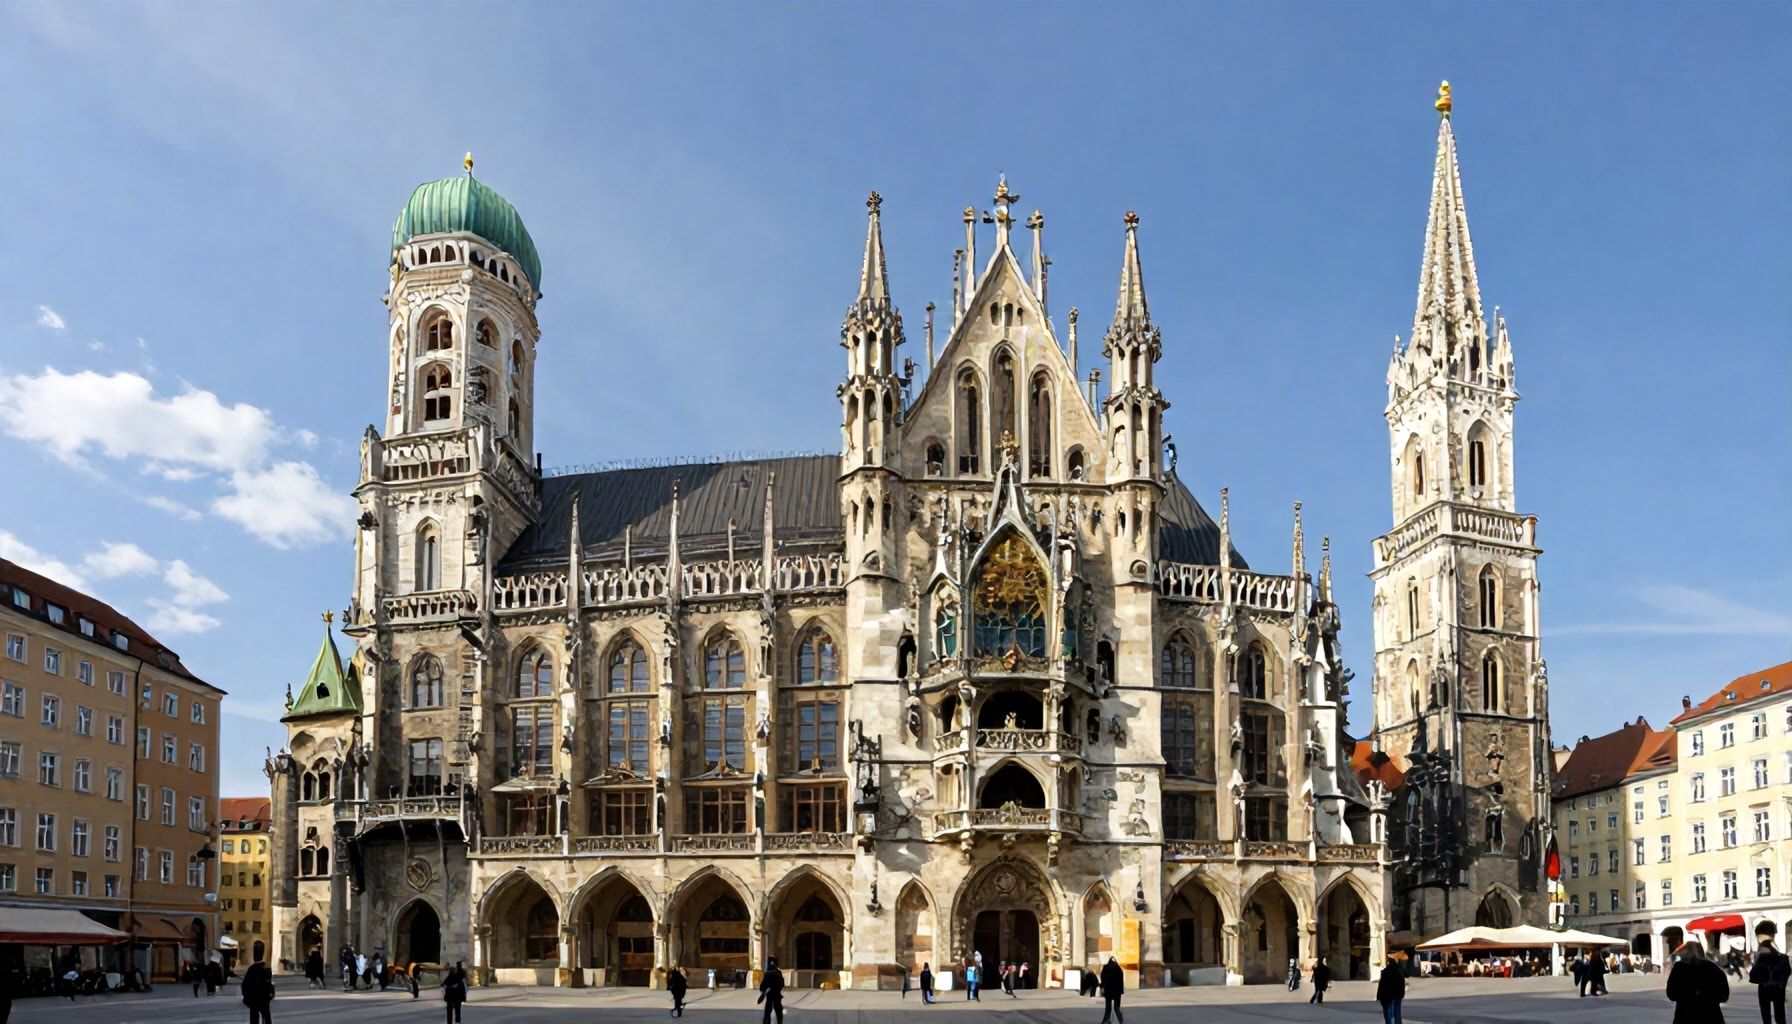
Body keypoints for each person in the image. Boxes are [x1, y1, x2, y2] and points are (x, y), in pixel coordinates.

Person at [1668, 943, 1731, 1024]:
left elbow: (1671, 994)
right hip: (1711, 1017)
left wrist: (1687, 996)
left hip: (1685, 1016)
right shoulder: (1714, 969)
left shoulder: (1679, 969)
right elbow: (1724, 996)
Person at [1750, 929, 1790, 1024]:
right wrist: (1782, 984)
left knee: (1766, 1014)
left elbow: (1753, 975)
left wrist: (1756, 961)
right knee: (1780, 1014)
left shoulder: (1761, 958)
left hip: (1764, 988)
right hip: (1778, 988)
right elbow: (1787, 972)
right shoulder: (1783, 958)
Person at [241, 958, 275, 1024]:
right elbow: (268, 983)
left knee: (254, 1015)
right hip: (264, 996)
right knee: (266, 1015)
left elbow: (245, 984)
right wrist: (270, 994)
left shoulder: (251, 969)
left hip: (253, 997)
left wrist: (246, 996)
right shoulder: (266, 968)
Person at [1376, 959, 1406, 1024]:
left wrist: (1379, 997)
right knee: (1395, 1015)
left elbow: (1382, 986)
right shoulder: (1399, 972)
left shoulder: (1386, 972)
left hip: (1387, 998)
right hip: (1396, 997)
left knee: (1389, 1015)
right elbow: (1401, 985)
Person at [758, 957, 785, 1024]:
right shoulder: (778, 973)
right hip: (777, 995)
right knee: (778, 1012)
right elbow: (782, 984)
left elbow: (762, 986)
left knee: (767, 1012)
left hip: (769, 995)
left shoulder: (767, 974)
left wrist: (763, 992)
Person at [1099, 956, 1125, 1024]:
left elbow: (1103, 978)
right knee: (1116, 1007)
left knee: (1108, 1008)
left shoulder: (1106, 967)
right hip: (1117, 991)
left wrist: (1102, 987)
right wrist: (1121, 991)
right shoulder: (1119, 969)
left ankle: (1106, 1021)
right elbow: (1121, 981)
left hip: (1108, 990)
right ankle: (1120, 1020)